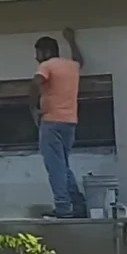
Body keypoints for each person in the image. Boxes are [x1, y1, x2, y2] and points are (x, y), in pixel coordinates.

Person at [29, 28, 86, 218]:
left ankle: (63, 208)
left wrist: (33, 109)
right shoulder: (71, 66)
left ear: (45, 52)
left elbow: (36, 83)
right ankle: (77, 204)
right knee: (63, 165)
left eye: (38, 53)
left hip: (51, 121)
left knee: (55, 167)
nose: (36, 58)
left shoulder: (47, 66)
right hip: (70, 122)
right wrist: (71, 40)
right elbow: (80, 61)